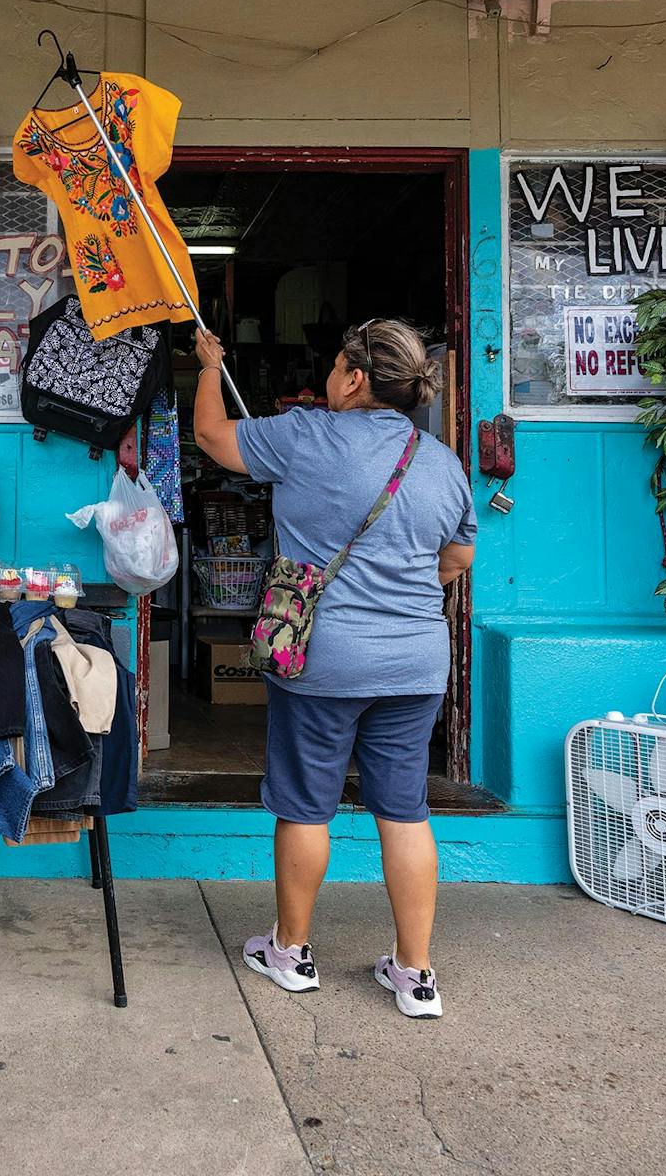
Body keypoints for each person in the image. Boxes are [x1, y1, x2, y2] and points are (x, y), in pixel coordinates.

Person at [192, 317, 476, 1020]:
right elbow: (458, 560)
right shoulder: (439, 460)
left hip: (321, 656)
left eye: (336, 365)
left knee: (305, 804)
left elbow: (210, 437)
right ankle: (416, 976)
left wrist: (206, 365)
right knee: (405, 811)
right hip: (415, 661)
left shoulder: (304, 434)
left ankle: (291, 952)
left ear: (353, 377)